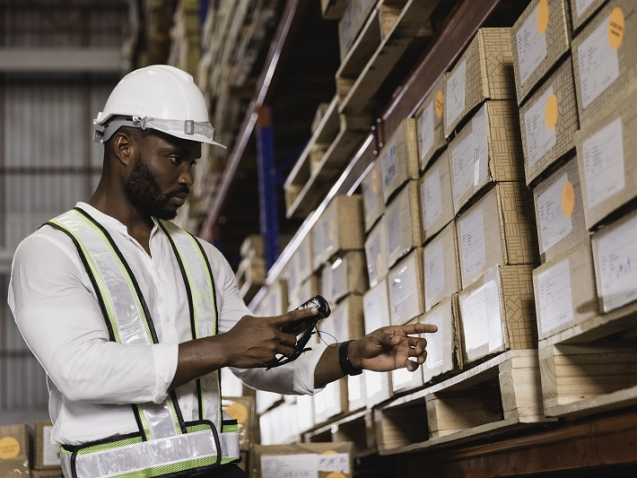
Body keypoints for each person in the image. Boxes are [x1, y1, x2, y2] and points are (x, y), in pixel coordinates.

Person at [8, 65, 437, 478]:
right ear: (124, 147)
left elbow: (255, 361)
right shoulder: (51, 251)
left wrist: (350, 356)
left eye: (192, 163)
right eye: (175, 158)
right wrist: (224, 348)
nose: (187, 179)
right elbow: (80, 371)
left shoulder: (203, 259)